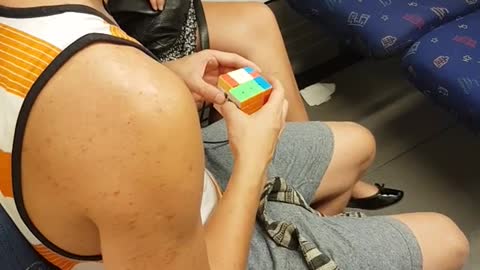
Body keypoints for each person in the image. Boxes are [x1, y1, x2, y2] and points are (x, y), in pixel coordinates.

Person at [0, 0, 469, 270]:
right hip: (198, 244)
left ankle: (312, 233)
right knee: (447, 239)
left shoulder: (43, 25)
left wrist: (166, 75)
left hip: (160, 194)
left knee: (356, 143)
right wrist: (254, 160)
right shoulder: (136, 99)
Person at [108, 0, 405, 210]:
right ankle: (327, 170)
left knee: (256, 19)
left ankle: (319, 158)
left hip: (156, 10)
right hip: (113, 22)